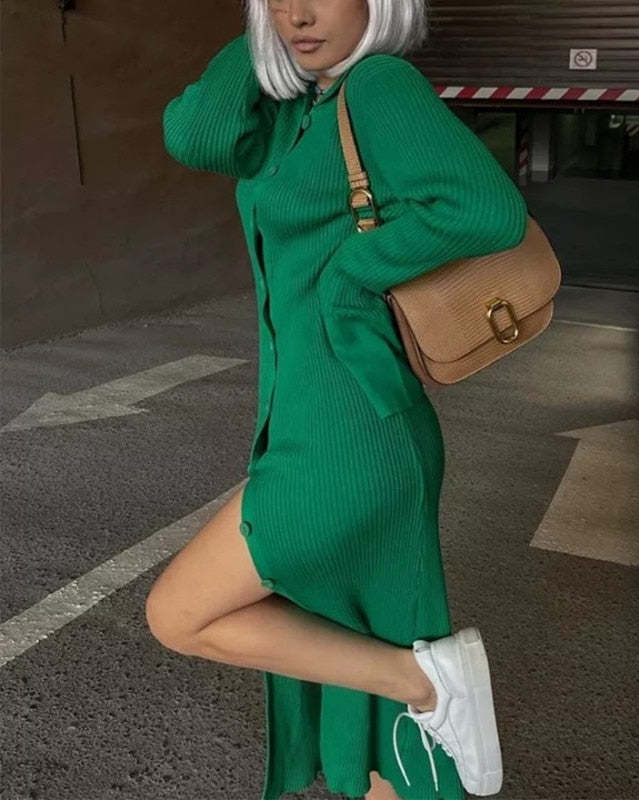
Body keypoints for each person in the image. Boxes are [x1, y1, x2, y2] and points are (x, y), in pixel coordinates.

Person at [146, 0, 529, 798]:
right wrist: (259, 43)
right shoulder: (297, 115)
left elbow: (486, 210)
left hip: (348, 436)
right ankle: (419, 695)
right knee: (361, 664)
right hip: (319, 425)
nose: (299, 12)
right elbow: (198, 134)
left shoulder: (380, 86)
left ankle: (425, 683)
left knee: (180, 614)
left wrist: (351, 274)